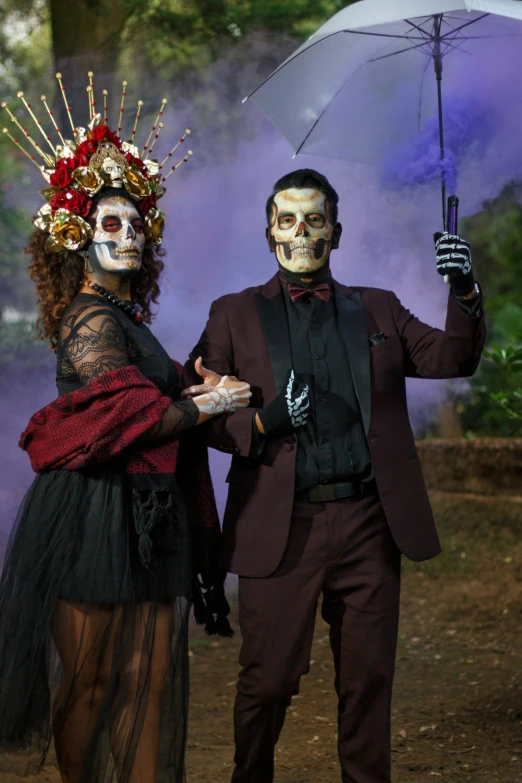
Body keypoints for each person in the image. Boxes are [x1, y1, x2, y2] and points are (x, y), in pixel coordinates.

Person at [181, 168, 486, 783]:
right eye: (287, 219)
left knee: (368, 681)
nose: (300, 231)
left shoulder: (377, 308)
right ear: (269, 232)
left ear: (336, 232)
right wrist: (263, 423)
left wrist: (465, 292)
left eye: (314, 219)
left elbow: (454, 357)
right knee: (267, 683)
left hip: (370, 523)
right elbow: (201, 416)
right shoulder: (234, 314)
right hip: (278, 524)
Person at [0, 75, 250, 783]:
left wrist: (196, 380)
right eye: (111, 223)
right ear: (75, 237)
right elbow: (129, 414)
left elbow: (159, 387)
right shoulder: (88, 320)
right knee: (92, 679)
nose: (129, 234)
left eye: (136, 224)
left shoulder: (127, 322)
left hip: (147, 513)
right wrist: (210, 403)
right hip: (92, 514)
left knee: (149, 675)